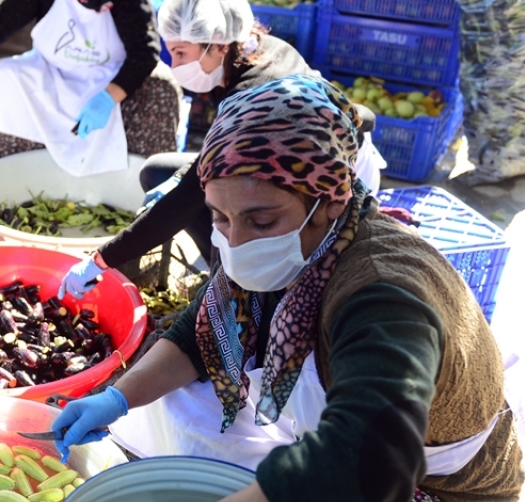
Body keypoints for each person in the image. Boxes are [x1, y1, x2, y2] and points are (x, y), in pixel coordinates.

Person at [52, 76, 525, 502]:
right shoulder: (287, 252)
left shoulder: (384, 297)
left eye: (261, 220)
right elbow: (198, 335)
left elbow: (366, 462)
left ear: (329, 201)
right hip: (330, 430)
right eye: (219, 219)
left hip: (438, 490)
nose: (235, 241)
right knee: (187, 413)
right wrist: (116, 396)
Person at [56, 0, 386, 299]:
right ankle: (225, 276)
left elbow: (187, 194)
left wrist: (103, 259)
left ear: (217, 45)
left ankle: (236, 288)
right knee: (158, 173)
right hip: (296, 159)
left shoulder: (253, 96)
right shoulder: (250, 53)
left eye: (182, 53)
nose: (175, 65)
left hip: (326, 181)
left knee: (216, 209)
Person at [0, 0, 180, 176]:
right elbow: (0, 20)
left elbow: (145, 54)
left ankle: (136, 185)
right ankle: (24, 174)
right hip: (51, 71)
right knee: (8, 75)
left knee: (161, 86)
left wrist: (108, 98)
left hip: (110, 79)